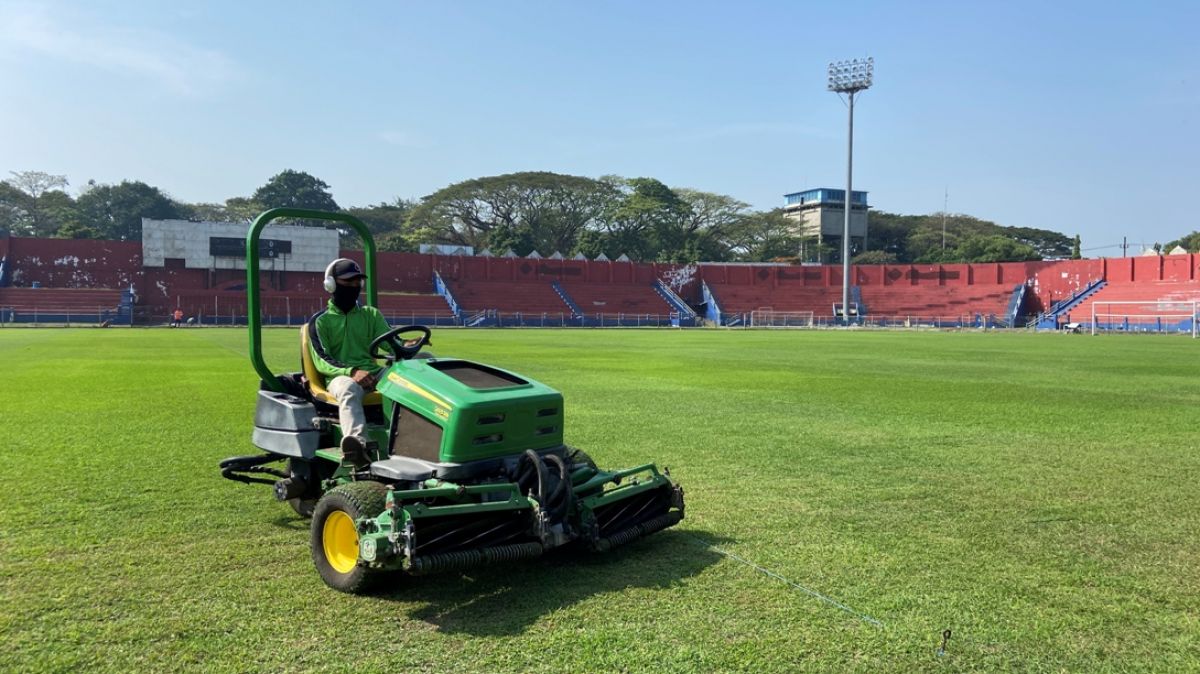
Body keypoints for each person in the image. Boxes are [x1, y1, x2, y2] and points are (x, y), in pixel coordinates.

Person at [307, 258, 396, 462]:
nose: (354, 286)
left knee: (412, 374)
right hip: (339, 377)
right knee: (349, 388)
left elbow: (391, 344)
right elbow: (322, 360)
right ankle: (358, 446)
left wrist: (407, 346)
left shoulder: (371, 315)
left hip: (373, 373)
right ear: (331, 284)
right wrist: (352, 372)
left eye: (357, 282)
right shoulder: (320, 321)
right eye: (347, 282)